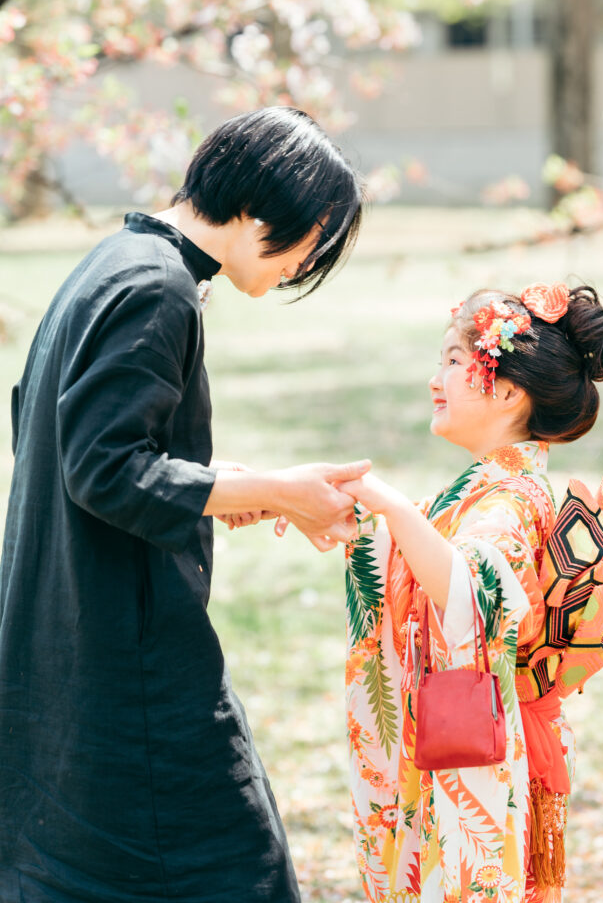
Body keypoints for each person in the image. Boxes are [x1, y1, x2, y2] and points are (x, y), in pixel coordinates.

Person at [0, 106, 371, 903]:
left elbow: (62, 426)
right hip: (130, 659)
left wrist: (217, 485)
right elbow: (102, 469)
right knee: (239, 870)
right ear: (270, 209)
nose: (303, 267)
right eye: (315, 241)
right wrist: (276, 491)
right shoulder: (159, 288)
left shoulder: (115, 261)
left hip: (66, 644)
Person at [339, 282, 603, 903]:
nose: (435, 378)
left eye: (452, 360)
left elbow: (470, 591)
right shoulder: (491, 488)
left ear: (506, 390)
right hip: (479, 729)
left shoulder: (514, 497)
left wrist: (384, 503)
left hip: (480, 747)